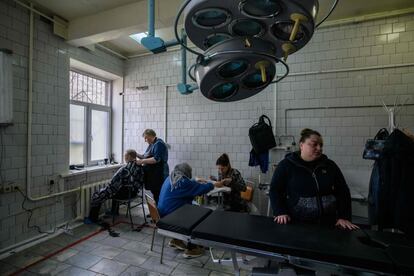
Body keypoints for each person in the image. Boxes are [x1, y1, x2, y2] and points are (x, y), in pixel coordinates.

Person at [269, 128, 358, 230]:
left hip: (328, 223)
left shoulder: (329, 165)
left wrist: (344, 217)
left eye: (321, 145)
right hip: (297, 223)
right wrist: (280, 212)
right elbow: (275, 190)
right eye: (314, 144)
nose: (319, 148)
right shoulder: (286, 165)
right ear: (301, 145)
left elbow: (343, 191)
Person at [158, 162, 223, 258]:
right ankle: (192, 248)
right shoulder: (183, 182)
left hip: (162, 214)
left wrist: (196, 180)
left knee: (192, 207)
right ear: (186, 172)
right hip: (171, 217)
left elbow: (189, 184)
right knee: (200, 214)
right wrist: (213, 184)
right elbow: (201, 188)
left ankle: (176, 240)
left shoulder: (170, 178)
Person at [87, 149, 144, 223]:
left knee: (97, 195)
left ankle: (92, 219)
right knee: (119, 189)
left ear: (129, 156)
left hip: (125, 195)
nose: (124, 157)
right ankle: (114, 211)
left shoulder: (125, 169)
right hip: (133, 193)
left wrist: (104, 191)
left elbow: (113, 183)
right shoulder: (140, 167)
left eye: (125, 156)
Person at [136, 129, 169, 203]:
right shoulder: (151, 144)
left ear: (151, 136)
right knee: (155, 193)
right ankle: (156, 212)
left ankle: (158, 213)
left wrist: (142, 161)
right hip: (153, 174)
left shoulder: (159, 144)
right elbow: (145, 156)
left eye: (146, 138)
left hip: (159, 174)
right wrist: (136, 154)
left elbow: (156, 159)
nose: (145, 140)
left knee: (158, 193)